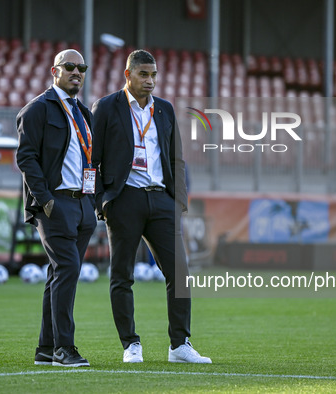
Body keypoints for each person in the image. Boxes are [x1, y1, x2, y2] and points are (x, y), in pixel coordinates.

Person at [91, 49, 211, 364]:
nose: (150, 81)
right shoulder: (106, 108)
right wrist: (101, 201)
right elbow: (93, 161)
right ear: (128, 75)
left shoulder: (166, 110)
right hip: (125, 198)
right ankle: (131, 344)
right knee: (122, 275)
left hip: (161, 200)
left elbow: (178, 159)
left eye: (154, 75)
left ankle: (180, 345)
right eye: (144, 74)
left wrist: (179, 203)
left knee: (180, 274)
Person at [16, 49, 97, 367]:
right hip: (55, 203)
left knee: (60, 274)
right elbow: (26, 158)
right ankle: (65, 347)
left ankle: (46, 349)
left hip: (82, 202)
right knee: (66, 270)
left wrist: (92, 200)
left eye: (82, 68)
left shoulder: (83, 113)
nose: (77, 72)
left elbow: (89, 159)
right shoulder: (37, 109)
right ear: (54, 71)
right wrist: (46, 200)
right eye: (70, 67)